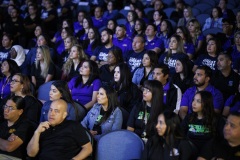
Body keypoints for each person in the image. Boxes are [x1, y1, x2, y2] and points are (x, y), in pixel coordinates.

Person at [27, 99, 92, 159]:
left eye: (56, 111)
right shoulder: (42, 127)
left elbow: (88, 148)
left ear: (64, 115)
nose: (52, 114)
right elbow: (31, 154)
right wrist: (37, 133)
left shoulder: (73, 126)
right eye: (50, 110)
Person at [181, 91, 225, 156]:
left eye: (198, 101)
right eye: (193, 100)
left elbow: (223, 139)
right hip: (190, 151)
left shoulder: (217, 119)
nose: (194, 103)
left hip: (209, 153)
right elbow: (180, 132)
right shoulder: (189, 117)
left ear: (206, 103)